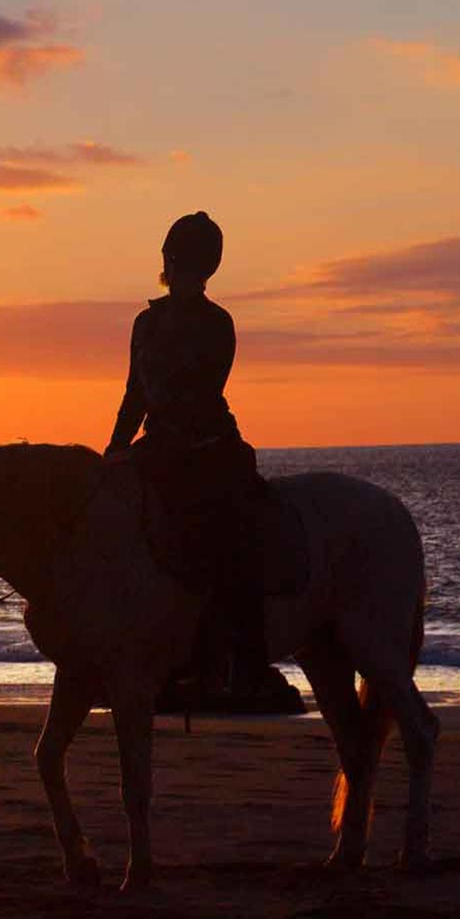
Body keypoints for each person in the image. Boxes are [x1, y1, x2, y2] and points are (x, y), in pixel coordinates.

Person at [105, 211, 272, 699]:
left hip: (204, 443)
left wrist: (153, 438)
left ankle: (234, 659)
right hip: (158, 444)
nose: (179, 272)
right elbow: (134, 394)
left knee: (225, 533)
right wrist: (114, 448)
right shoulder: (146, 323)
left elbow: (202, 392)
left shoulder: (217, 323)